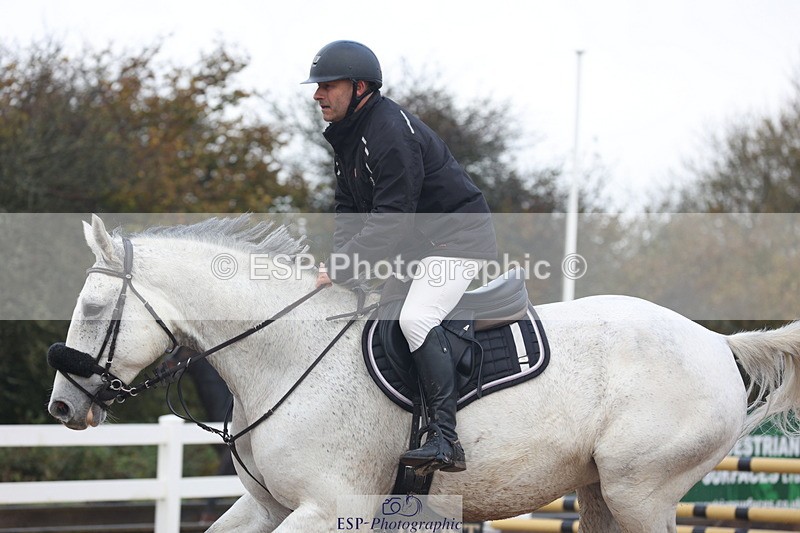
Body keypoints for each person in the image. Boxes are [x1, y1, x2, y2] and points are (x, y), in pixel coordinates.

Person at [302, 40, 497, 474]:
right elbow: (349, 211)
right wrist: (340, 263)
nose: (317, 95)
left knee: (415, 320)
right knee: (378, 319)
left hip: (456, 242)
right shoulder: (350, 138)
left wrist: (340, 266)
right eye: (317, 87)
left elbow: (392, 218)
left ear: (358, 87)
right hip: (417, 249)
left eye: (326, 86)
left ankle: (447, 440)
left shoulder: (388, 131)